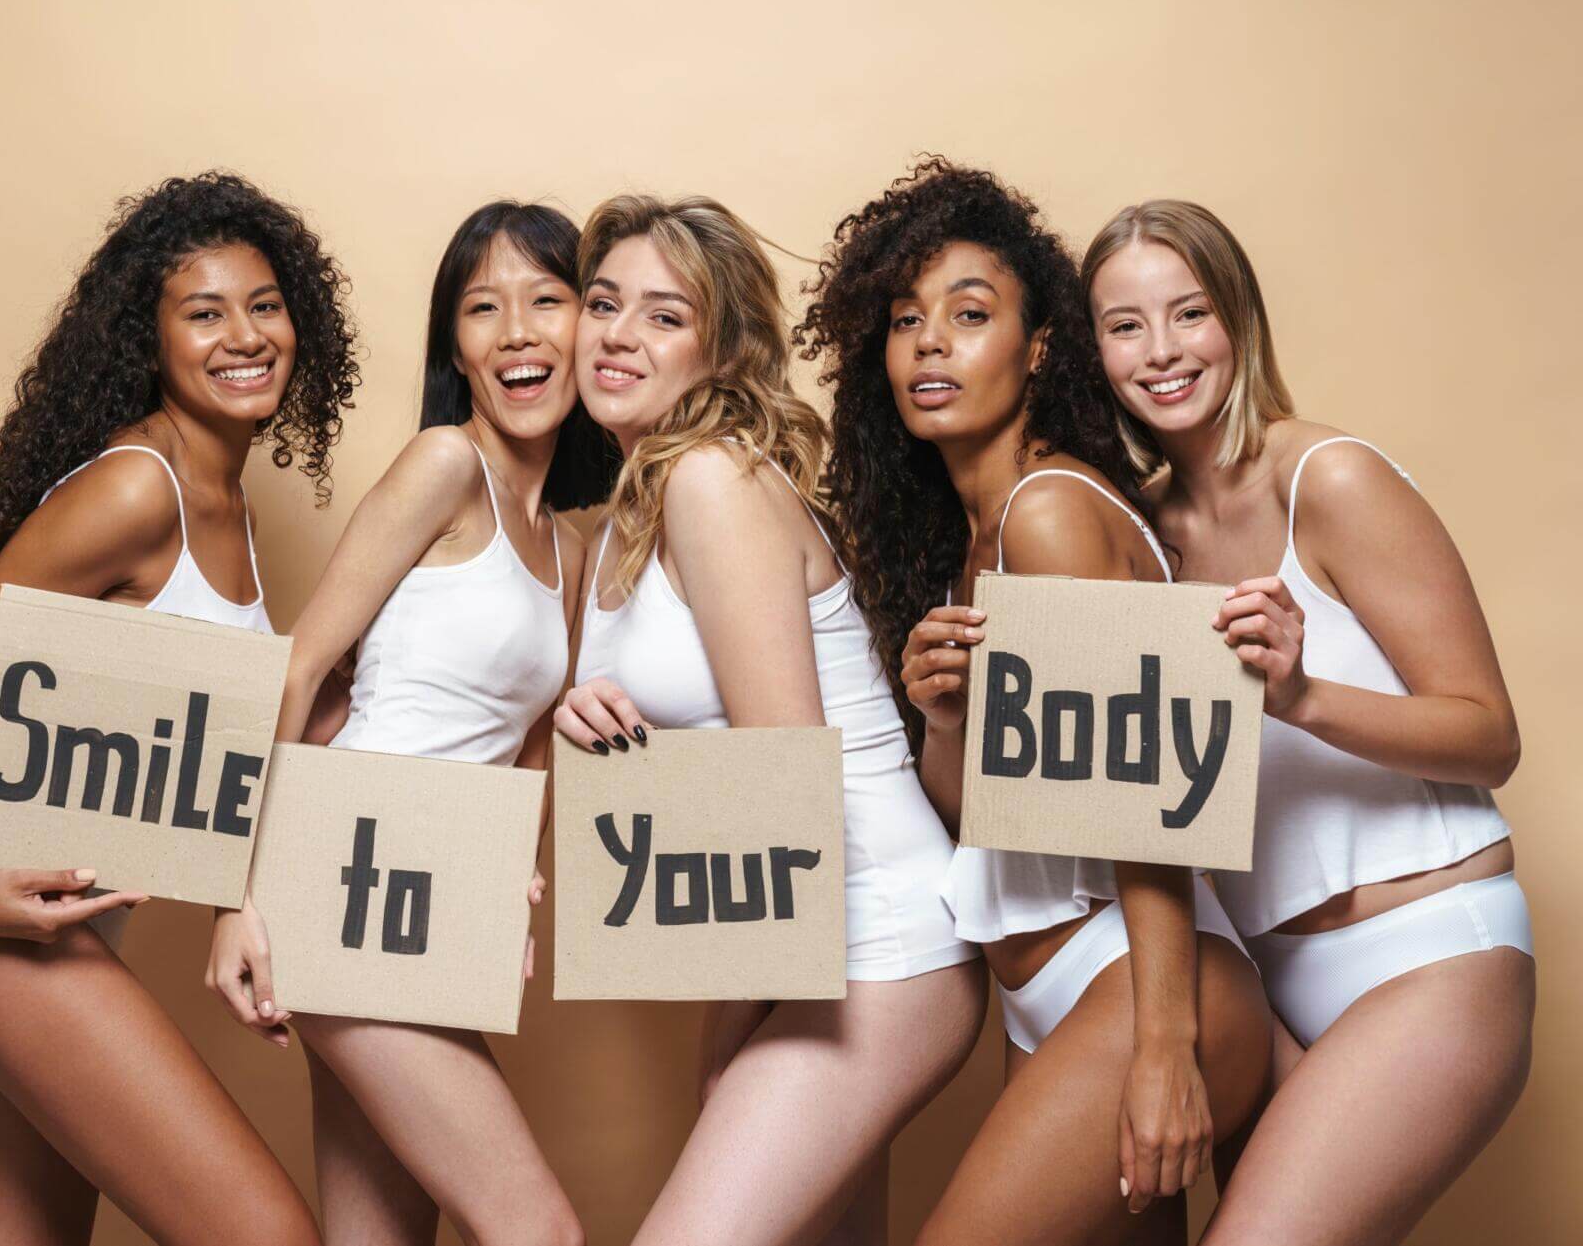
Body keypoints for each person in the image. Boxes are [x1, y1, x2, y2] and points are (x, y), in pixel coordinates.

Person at [0, 171, 359, 1245]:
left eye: (265, 304)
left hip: (68, 936)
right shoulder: (139, 488)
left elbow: (231, 745)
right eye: (204, 312)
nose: (244, 335)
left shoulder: (219, 496)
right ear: (152, 338)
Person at [798, 158, 1273, 1244]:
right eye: (906, 319)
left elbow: (1141, 803)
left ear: (1041, 342)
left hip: (1141, 984)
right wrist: (949, 718)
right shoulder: (976, 537)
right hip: (1056, 993)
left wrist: (1165, 1050)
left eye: (970, 315)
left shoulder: (1050, 515)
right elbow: (989, 817)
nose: (930, 344)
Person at [1082, 198, 1534, 1246]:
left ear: (1238, 317)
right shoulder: (1140, 531)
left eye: (1188, 313)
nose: (1161, 353)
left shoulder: (1330, 480)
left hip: (1425, 953)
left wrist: (1305, 698)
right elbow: (1129, 802)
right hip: (1256, 985)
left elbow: (1489, 733)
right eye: (1124, 325)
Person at [555, 193, 987, 1246]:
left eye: (665, 315)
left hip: (875, 943)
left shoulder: (712, 481)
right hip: (802, 942)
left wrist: (730, 1041)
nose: (618, 334)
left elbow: (784, 784)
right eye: (604, 302)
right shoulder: (632, 507)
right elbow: (719, 762)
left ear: (722, 349)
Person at [207, 201, 607, 1246]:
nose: (517, 331)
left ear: (589, 324)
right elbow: (296, 673)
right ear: (458, 350)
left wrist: (510, 885)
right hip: (345, 878)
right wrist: (233, 898)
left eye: (546, 300)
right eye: (483, 307)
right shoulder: (443, 466)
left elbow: (524, 747)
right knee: (539, 1232)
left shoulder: (564, 544)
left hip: (434, 904)